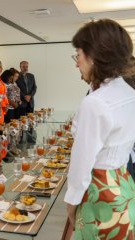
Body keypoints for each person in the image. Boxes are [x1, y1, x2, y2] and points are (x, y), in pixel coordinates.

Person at [65, 19, 135, 239]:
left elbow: (81, 163)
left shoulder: (95, 102)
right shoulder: (128, 91)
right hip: (123, 184)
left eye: (79, 54)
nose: (77, 63)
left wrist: (71, 204)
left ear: (94, 56)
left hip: (99, 191)